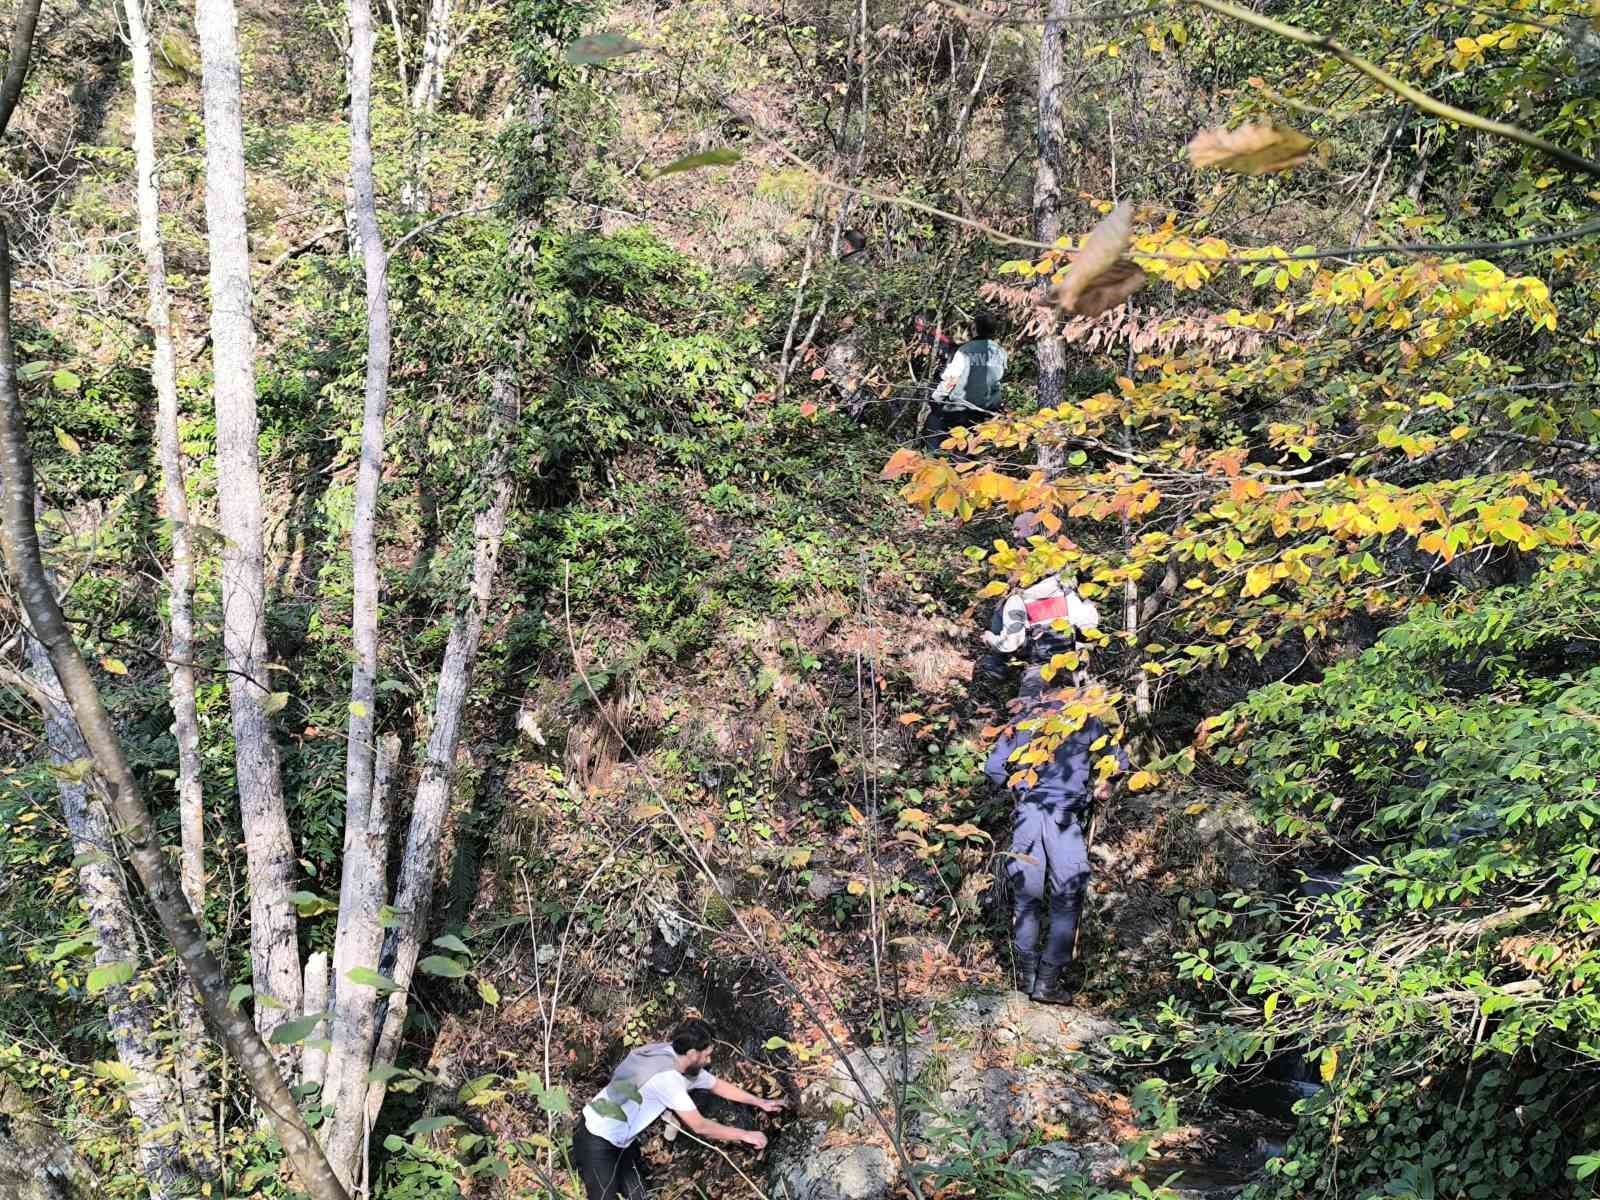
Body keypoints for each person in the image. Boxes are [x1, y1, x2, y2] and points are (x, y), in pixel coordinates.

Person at [984, 689, 1125, 1004]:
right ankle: (1048, 983)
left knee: (1026, 900)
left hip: (1028, 819)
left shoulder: (1023, 720)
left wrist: (1020, 791)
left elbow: (993, 768)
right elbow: (1118, 760)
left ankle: (1026, 979)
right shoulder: (1084, 720)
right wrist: (1104, 785)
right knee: (1066, 899)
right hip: (1064, 821)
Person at [573, 1018, 784, 1200]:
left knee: (638, 1195)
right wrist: (745, 1135)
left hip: (623, 1141)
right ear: (693, 1053)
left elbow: (717, 1085)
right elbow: (700, 1126)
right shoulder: (667, 1078)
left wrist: (760, 1102)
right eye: (707, 1055)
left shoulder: (673, 1054)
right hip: (596, 1139)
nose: (709, 1060)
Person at [977, 573, 1099, 686]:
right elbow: (1089, 625)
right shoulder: (1067, 592)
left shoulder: (1016, 600)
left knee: (1034, 704)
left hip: (1039, 669)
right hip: (1071, 663)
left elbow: (1010, 644)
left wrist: (989, 638)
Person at [923, 310, 1007, 450]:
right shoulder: (1000, 351)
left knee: (933, 423)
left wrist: (936, 398)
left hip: (961, 408)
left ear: (974, 328)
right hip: (988, 409)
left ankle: (933, 458)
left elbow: (952, 379)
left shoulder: (965, 350)